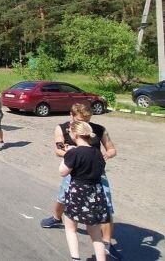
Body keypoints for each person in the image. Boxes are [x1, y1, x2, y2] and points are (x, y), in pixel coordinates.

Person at [41, 103, 121, 260]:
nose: (85, 124)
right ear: (71, 115)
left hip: (95, 172)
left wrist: (107, 155)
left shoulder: (98, 129)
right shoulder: (62, 128)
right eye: (81, 120)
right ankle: (57, 218)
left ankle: (107, 245)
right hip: (74, 169)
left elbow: (111, 149)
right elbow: (58, 149)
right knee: (63, 198)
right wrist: (69, 153)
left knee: (107, 208)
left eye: (88, 120)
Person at [58, 120, 109, 261]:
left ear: (75, 134)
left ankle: (75, 258)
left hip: (78, 192)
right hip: (96, 192)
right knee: (95, 233)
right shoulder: (97, 153)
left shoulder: (74, 153)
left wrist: (67, 155)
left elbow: (62, 172)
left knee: (70, 226)